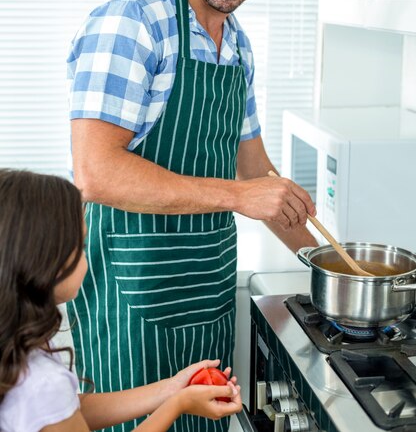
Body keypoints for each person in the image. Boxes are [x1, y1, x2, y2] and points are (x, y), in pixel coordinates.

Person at [67, 0, 318, 432]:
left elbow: (257, 173)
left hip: (204, 304)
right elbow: (95, 171)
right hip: (130, 310)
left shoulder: (237, 46)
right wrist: (240, 196)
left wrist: (332, 271)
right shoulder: (134, 24)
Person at [0, 168, 242, 432]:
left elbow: (70, 411)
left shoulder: (20, 353)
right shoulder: (45, 384)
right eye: (81, 246)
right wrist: (178, 404)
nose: (87, 256)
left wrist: (171, 389)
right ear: (46, 263)